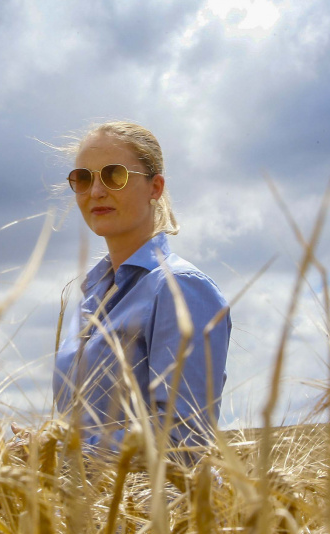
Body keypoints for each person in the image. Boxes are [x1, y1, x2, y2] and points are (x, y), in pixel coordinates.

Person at [49, 121, 230, 460]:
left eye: (114, 175)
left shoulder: (180, 288)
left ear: (155, 187)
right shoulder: (92, 295)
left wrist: (63, 453)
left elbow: (183, 441)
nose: (96, 192)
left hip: (156, 512)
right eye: (84, 179)